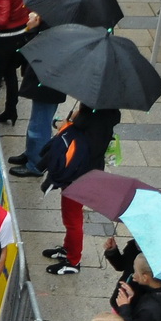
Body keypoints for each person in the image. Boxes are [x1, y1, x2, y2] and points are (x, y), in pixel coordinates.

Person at [35, 102, 121, 274]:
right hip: (89, 171)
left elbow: (75, 127)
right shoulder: (110, 114)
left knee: (72, 219)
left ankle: (73, 261)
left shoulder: (88, 118)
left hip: (77, 175)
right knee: (71, 217)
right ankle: (68, 249)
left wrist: (71, 118)